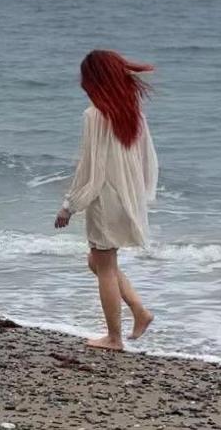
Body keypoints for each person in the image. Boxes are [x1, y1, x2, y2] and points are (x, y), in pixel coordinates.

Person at [55, 50, 159, 351]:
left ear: (95, 79)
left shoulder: (94, 115)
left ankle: (114, 338)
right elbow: (147, 158)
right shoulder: (131, 111)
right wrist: (141, 195)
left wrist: (70, 204)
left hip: (105, 198)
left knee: (104, 266)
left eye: (84, 75)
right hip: (126, 195)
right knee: (99, 262)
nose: (81, 81)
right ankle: (140, 312)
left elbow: (90, 168)